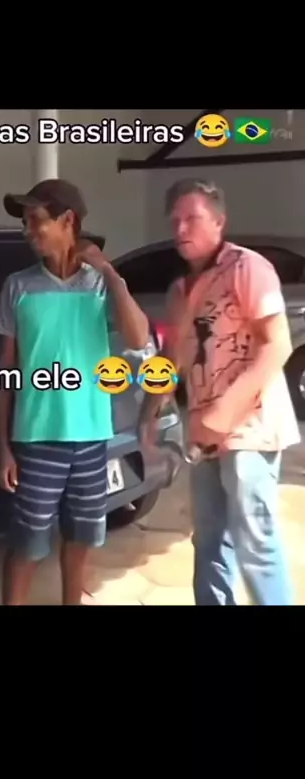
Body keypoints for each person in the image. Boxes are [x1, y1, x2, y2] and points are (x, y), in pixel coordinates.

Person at [0, 178, 150, 605]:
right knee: (27, 546)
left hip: (91, 439)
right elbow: (5, 372)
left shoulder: (99, 286)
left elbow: (138, 338)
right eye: (25, 222)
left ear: (68, 221)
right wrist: (3, 449)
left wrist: (110, 273)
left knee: (80, 541)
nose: (28, 231)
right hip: (36, 439)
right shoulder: (18, 286)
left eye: (35, 220)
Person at [149, 178, 299, 605]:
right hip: (203, 437)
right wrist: (150, 415)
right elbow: (173, 360)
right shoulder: (180, 290)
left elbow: (278, 345)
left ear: (219, 221)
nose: (181, 229)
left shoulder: (248, 268)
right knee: (210, 539)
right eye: (175, 221)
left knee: (255, 544)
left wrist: (222, 416)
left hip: (250, 430)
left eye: (192, 218)